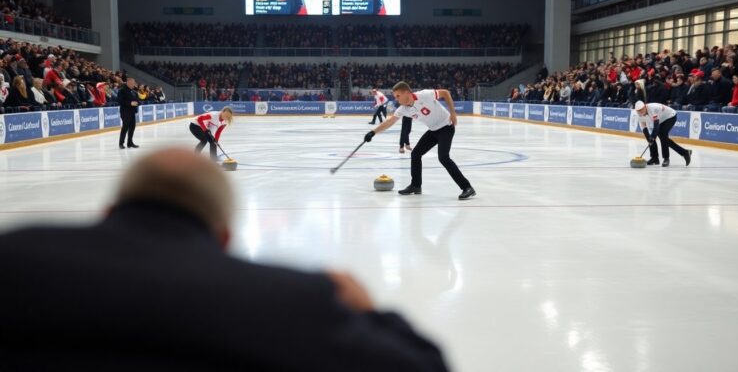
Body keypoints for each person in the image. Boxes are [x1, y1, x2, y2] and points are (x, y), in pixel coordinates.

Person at [0, 148, 449, 371]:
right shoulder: (288, 299)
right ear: (225, 236)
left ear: (109, 212)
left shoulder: (16, 258)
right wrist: (369, 312)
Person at [364, 81, 475, 200]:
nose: (396, 99)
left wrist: (453, 113)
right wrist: (373, 132)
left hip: (446, 127)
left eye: (398, 96)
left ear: (406, 92)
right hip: (433, 130)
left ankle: (467, 187)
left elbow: (445, 93)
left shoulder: (425, 95)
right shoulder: (403, 109)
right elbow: (390, 122)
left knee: (443, 157)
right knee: (416, 154)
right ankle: (416, 186)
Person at [634, 101, 692, 167]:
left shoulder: (653, 108)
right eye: (638, 111)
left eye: (641, 110)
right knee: (653, 138)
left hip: (670, 117)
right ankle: (654, 158)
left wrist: (652, 137)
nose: (640, 112)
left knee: (662, 135)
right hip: (660, 120)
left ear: (645, 106)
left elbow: (656, 125)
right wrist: (649, 138)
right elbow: (644, 128)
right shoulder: (639, 115)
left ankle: (666, 158)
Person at [118, 77, 139, 149]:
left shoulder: (134, 92)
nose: (134, 84)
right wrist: (130, 103)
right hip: (125, 112)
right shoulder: (122, 91)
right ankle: (121, 143)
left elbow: (138, 101)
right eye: (132, 83)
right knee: (125, 127)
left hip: (132, 112)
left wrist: (137, 103)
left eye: (134, 83)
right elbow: (119, 100)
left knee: (132, 127)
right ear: (128, 83)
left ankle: (130, 143)